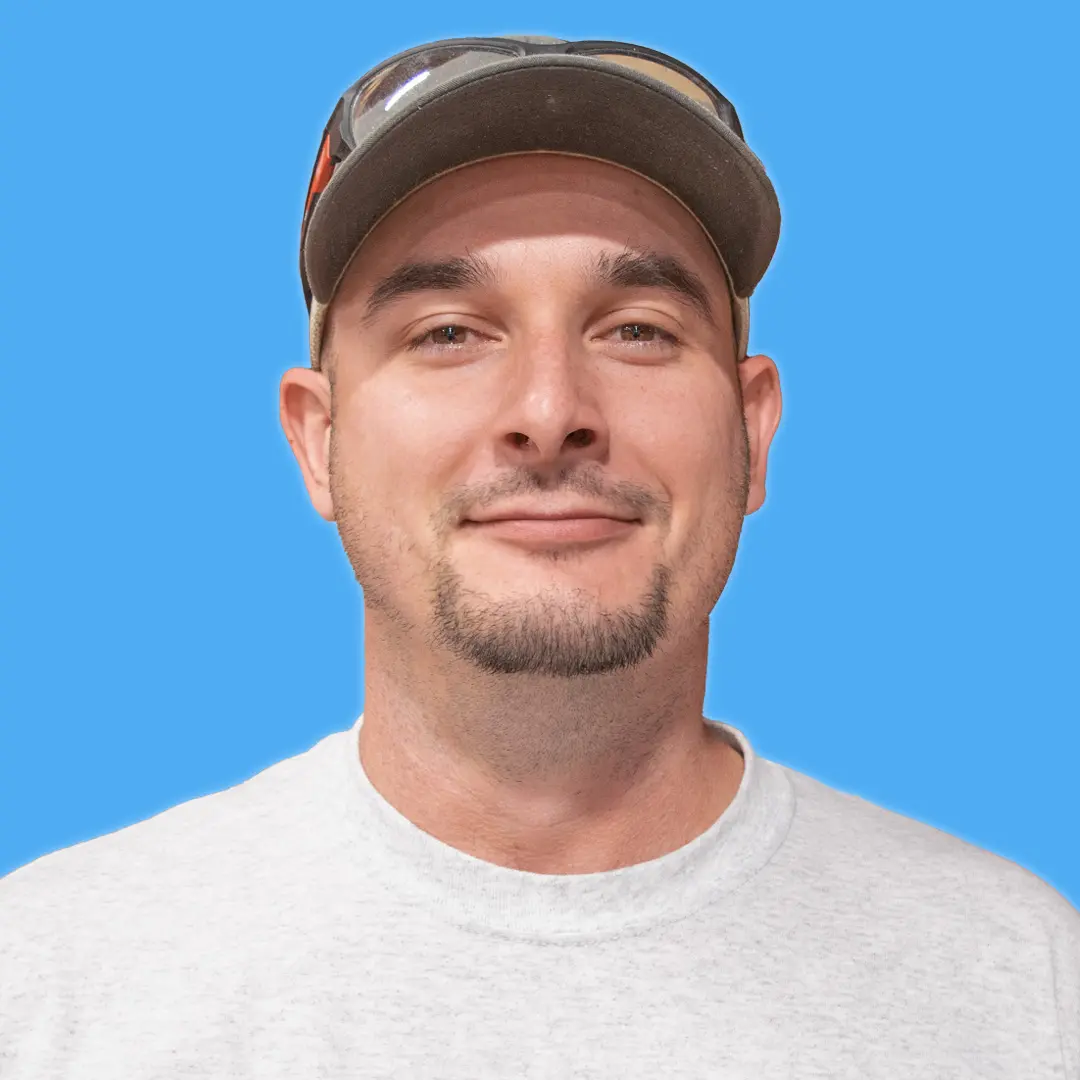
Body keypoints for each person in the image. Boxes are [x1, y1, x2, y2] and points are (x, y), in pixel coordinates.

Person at [1, 34, 1077, 1078]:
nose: (551, 411)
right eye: (448, 333)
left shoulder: (1026, 987)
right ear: (318, 442)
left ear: (752, 432)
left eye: (639, 329)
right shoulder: (49, 988)